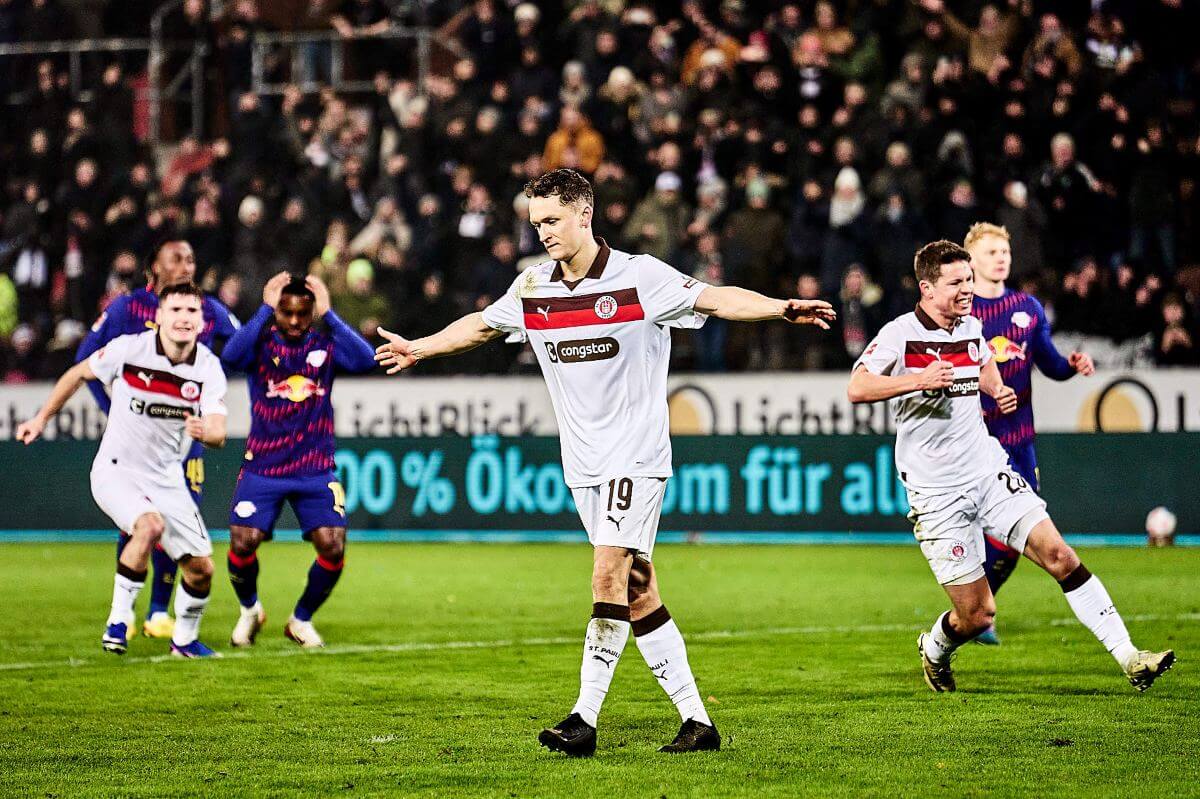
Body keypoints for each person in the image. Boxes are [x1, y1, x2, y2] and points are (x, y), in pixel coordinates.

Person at [376, 168, 836, 755]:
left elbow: (714, 298)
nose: (542, 233)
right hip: (584, 465)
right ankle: (699, 722)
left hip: (635, 458)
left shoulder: (639, 277)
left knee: (606, 574)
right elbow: (482, 326)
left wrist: (779, 309)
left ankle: (583, 719)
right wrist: (421, 346)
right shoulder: (533, 288)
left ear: (585, 214)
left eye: (552, 220)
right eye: (535, 223)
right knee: (638, 588)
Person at [847, 240, 1173, 693]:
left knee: (1060, 555)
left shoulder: (970, 326)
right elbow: (858, 387)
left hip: (986, 468)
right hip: (935, 491)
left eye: (968, 280)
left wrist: (997, 389)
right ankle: (936, 647)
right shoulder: (900, 334)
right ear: (926, 288)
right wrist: (916, 380)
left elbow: (984, 365)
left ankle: (1131, 657)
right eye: (956, 283)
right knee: (978, 616)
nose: (967, 290)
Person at [18, 282, 228, 658]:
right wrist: (41, 418)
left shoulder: (208, 368)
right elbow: (77, 373)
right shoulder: (130, 350)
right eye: (176, 310)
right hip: (116, 470)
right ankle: (119, 619)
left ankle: (184, 641)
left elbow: (218, 431)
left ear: (201, 321)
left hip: (167, 478)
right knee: (149, 526)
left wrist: (204, 432)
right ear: (159, 316)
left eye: (192, 311)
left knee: (202, 570)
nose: (184, 318)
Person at [75, 239, 240, 639]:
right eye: (176, 259)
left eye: (191, 258)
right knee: (140, 524)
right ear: (154, 268)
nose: (186, 266)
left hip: (185, 441)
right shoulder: (127, 308)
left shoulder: (208, 308)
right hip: (135, 440)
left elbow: (240, 347)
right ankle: (127, 613)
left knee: (178, 525)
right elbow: (85, 357)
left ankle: (157, 612)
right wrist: (111, 405)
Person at [219, 273, 377, 648]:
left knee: (333, 545)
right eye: (285, 312)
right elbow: (229, 356)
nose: (293, 321)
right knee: (243, 542)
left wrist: (331, 314)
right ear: (276, 310)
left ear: (311, 313)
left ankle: (300, 619)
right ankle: (249, 610)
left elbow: (367, 360)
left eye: (302, 313)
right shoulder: (259, 346)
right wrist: (262, 309)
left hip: (314, 466)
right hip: (264, 465)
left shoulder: (325, 346)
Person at [965, 222, 1094, 645]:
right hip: (972, 443)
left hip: (1018, 443)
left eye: (1004, 251)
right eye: (991, 252)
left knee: (1019, 534)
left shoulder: (1028, 309)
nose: (1001, 258)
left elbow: (1051, 364)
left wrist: (1071, 365)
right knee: (977, 528)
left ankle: (978, 607)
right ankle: (973, 609)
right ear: (972, 262)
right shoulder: (961, 316)